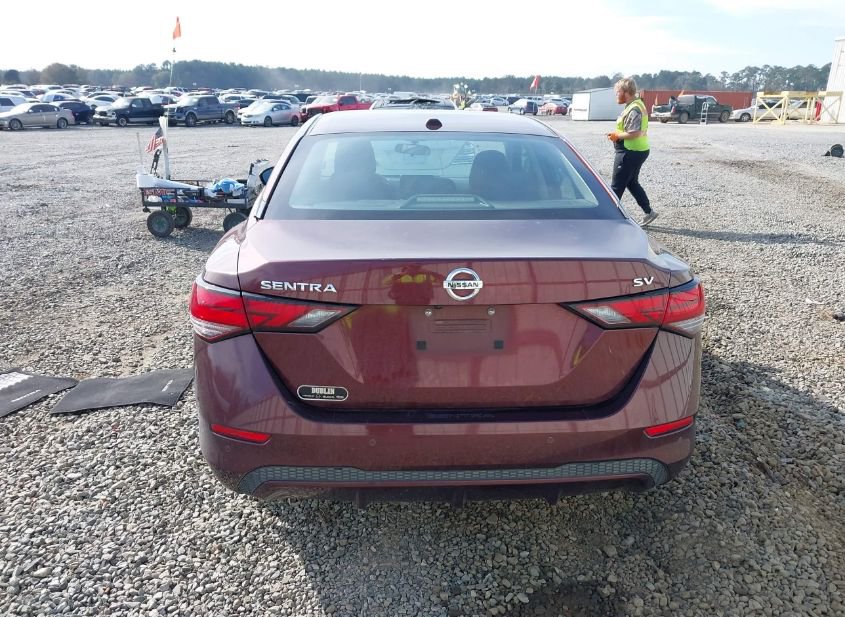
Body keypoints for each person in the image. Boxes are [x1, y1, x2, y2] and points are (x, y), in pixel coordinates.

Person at [606, 77, 658, 226]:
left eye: (618, 92)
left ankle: (607, 218)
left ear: (626, 92)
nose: (616, 95)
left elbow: (635, 132)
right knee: (631, 182)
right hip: (638, 150)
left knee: (617, 186)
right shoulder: (636, 105)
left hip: (629, 151)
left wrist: (616, 136)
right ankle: (649, 212)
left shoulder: (634, 108)